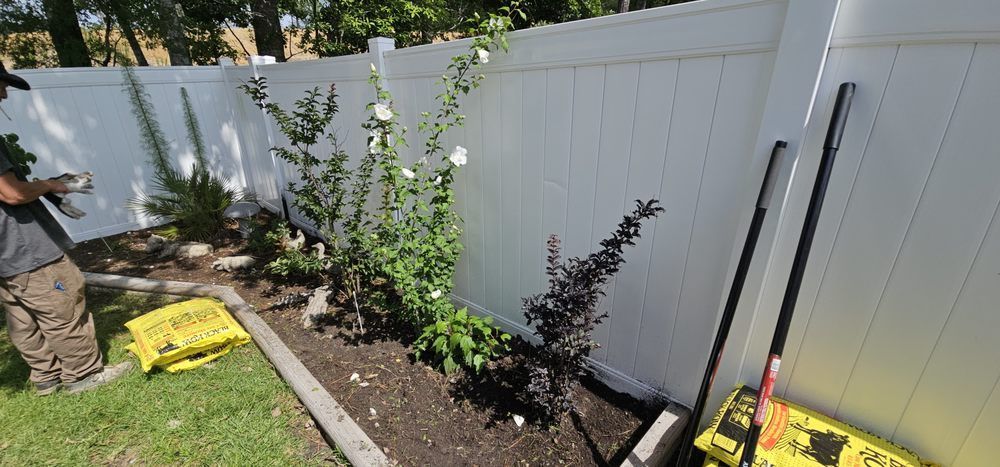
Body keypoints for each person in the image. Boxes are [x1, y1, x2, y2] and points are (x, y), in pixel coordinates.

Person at [0, 63, 131, 395]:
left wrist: (47, 187)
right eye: (0, 86)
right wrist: (48, 185)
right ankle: (83, 374)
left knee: (22, 314)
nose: (3, 93)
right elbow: (12, 193)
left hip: (4, 256)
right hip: (22, 246)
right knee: (62, 303)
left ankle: (45, 376)